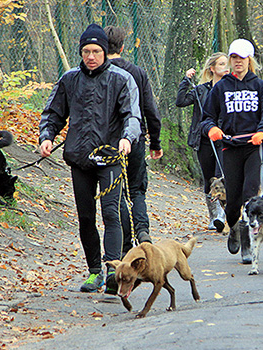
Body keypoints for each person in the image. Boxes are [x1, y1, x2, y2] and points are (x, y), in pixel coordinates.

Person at [39, 23, 142, 293]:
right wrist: (47, 137)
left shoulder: (121, 79)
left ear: (105, 52)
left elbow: (132, 115)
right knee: (86, 217)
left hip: (110, 158)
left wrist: (126, 138)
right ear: (81, 52)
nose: (91, 56)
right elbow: (53, 113)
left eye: (96, 50)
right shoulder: (70, 79)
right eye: (86, 51)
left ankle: (112, 270)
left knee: (111, 214)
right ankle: (94, 271)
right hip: (80, 159)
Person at [200, 39, 263, 264]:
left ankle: (248, 244)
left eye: (241, 58)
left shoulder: (260, 86)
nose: (237, 62)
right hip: (230, 148)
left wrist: (262, 131)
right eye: (234, 58)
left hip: (254, 147)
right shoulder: (221, 87)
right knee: (232, 203)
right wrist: (212, 128)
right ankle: (234, 228)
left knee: (250, 195)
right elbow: (207, 117)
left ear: (249, 60)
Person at [103, 25, 162, 293]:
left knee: (117, 192)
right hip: (136, 139)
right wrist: (156, 142)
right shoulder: (137, 72)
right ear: (123, 46)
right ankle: (143, 231)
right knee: (136, 190)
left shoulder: (99, 73)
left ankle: (127, 239)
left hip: (108, 143)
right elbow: (151, 110)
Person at [175, 52, 229, 232]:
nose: (226, 67)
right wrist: (185, 80)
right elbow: (181, 101)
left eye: (227, 64)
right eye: (222, 64)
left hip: (225, 139)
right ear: (212, 68)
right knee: (209, 178)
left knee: (222, 175)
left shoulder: (232, 88)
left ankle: (224, 214)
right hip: (204, 140)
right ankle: (214, 216)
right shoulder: (201, 90)